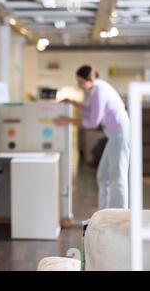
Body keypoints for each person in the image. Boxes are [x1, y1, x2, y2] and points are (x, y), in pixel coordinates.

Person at [53, 65, 130, 209]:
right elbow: (89, 110)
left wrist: (68, 120)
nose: (79, 85)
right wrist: (71, 101)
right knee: (103, 176)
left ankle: (120, 215)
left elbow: (93, 122)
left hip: (120, 134)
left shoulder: (99, 91)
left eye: (81, 82)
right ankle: (105, 213)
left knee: (117, 177)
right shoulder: (96, 89)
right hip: (114, 135)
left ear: (90, 79)